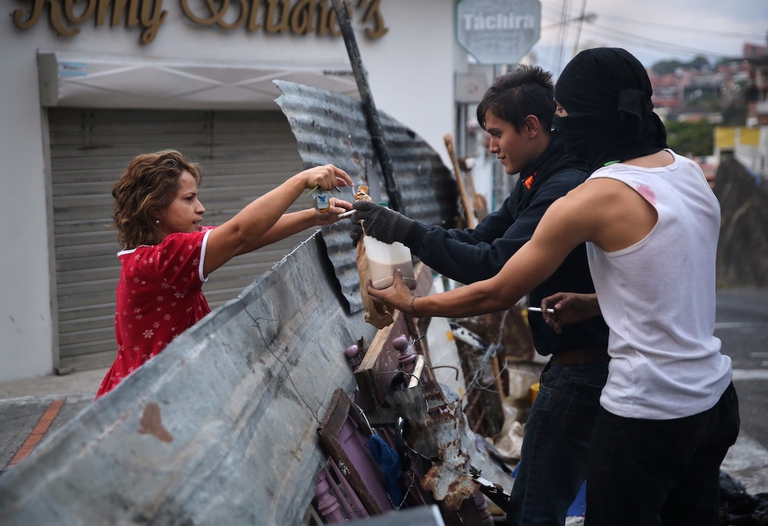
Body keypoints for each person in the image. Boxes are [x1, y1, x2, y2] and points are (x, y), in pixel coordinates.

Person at [365, 48, 739, 526]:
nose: (560, 125)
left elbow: (497, 287)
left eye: (564, 112)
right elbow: (671, 279)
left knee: (541, 512)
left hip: (650, 410)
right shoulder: (689, 174)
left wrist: (414, 304)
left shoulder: (589, 196)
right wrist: (594, 302)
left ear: (589, 115)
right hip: (713, 401)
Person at [352, 65, 609, 525]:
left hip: (586, 367)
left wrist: (412, 285)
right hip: (577, 363)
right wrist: (406, 230)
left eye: (496, 134)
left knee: (533, 510)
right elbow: (480, 240)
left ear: (532, 127)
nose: (491, 146)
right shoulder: (535, 181)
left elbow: (493, 267)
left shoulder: (563, 186)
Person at [96, 150, 353, 399]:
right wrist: (301, 180)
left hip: (140, 391)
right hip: (149, 400)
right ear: (155, 210)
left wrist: (314, 216)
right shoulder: (165, 259)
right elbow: (240, 234)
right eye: (189, 199)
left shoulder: (158, 253)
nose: (201, 208)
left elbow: (248, 237)